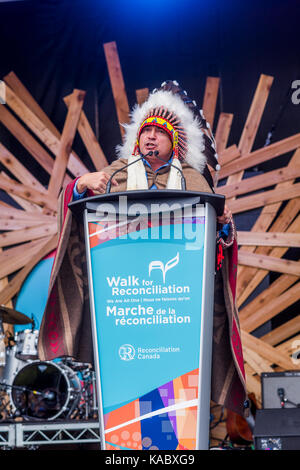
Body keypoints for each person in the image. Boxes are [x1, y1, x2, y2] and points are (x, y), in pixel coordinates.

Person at [38, 80, 247, 417]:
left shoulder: (193, 181)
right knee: (126, 405)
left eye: (159, 132)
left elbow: (217, 248)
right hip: (124, 306)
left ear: (174, 141)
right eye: (145, 131)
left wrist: (223, 223)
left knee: (175, 406)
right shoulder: (116, 174)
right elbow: (76, 214)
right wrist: (79, 185)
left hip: (176, 309)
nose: (150, 136)